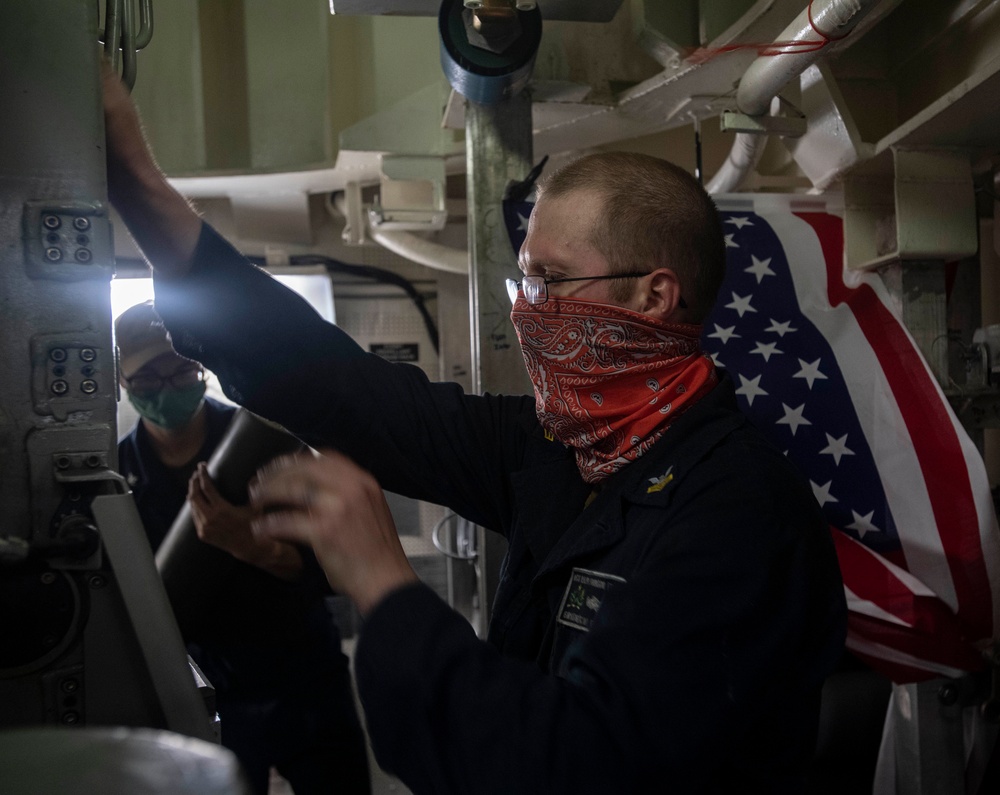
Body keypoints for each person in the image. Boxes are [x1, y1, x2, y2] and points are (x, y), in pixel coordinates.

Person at [104, 65, 847, 793]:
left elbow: (574, 765)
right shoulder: (563, 449)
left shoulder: (740, 513)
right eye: (523, 281)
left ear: (654, 296)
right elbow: (351, 395)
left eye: (549, 281)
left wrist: (382, 582)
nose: (527, 309)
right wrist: (138, 185)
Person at [115, 301, 371, 795]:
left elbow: (330, 566)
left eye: (179, 368)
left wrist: (250, 545)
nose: (167, 386)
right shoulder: (116, 481)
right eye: (148, 376)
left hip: (302, 676)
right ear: (123, 383)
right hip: (205, 692)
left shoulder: (264, 443)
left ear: (200, 369)